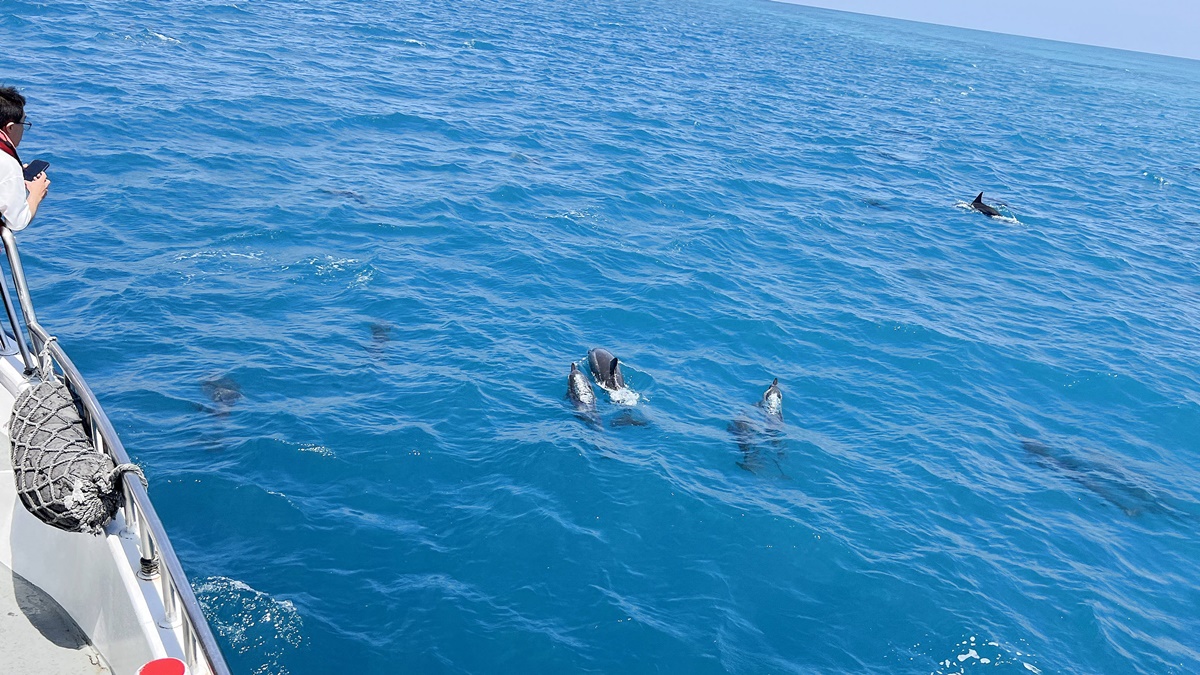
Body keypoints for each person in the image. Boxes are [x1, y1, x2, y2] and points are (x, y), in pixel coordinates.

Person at [0, 86, 50, 232]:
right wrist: (36, 194)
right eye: (23, 123)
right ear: (10, 127)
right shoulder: (7, 164)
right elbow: (17, 221)